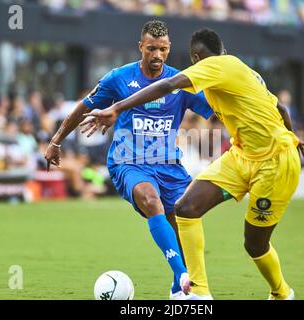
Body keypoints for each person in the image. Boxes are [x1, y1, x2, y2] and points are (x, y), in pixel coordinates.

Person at [81, 28, 304, 300]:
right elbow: (281, 109)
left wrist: (117, 107)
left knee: (255, 244)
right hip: (243, 155)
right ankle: (198, 293)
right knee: (185, 208)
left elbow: (167, 85)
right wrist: (293, 135)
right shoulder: (243, 70)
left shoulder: (212, 66)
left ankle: (282, 294)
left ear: (195, 57)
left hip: (275, 162)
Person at [44, 20, 214, 300]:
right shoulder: (118, 78)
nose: (157, 55)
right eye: (151, 49)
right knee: (150, 199)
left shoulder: (182, 82)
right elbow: (83, 107)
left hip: (168, 166)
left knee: (181, 224)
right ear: (140, 47)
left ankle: (177, 290)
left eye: (162, 49)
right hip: (128, 162)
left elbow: (218, 109)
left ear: (169, 49)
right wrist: (56, 141)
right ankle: (185, 278)